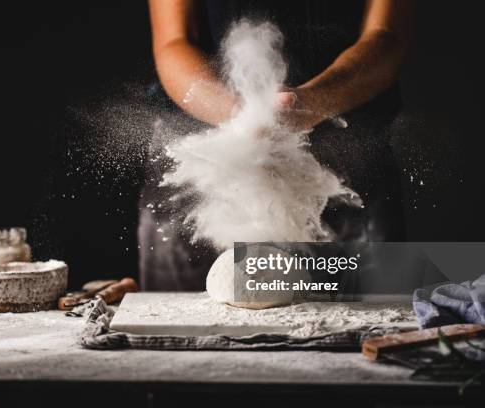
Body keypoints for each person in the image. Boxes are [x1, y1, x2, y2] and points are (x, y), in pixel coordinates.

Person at [139, 0, 415, 291]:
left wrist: (311, 103)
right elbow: (174, 40)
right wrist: (243, 115)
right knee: (184, 330)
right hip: (201, 165)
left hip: (349, 170)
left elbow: (386, 35)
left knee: (364, 328)